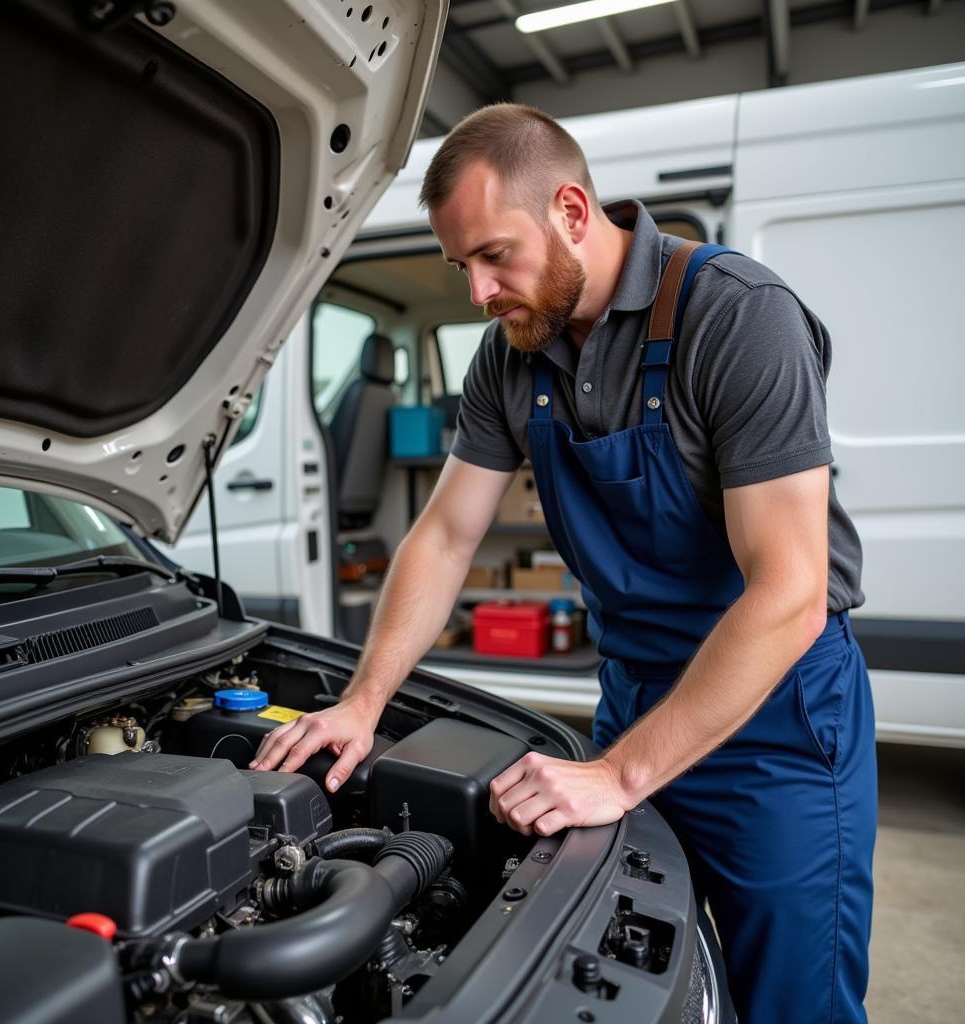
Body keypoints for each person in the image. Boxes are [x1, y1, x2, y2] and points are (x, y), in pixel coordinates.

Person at [251, 104, 877, 1023]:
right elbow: (445, 535)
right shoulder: (510, 359)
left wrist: (619, 777)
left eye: (496, 255)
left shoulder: (738, 318)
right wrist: (364, 698)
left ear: (574, 212)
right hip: (632, 696)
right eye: (461, 264)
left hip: (775, 724)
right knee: (646, 979)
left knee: (792, 1001)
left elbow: (790, 592)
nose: (478, 291)